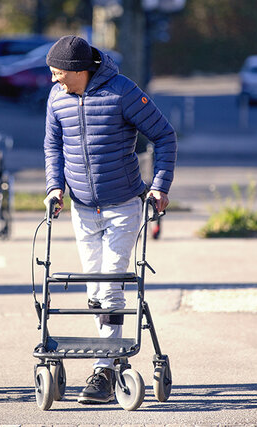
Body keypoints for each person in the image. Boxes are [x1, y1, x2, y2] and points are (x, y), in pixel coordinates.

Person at [42, 35, 177, 404]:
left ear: (78, 70)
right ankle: (107, 356)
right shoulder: (58, 98)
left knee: (110, 285)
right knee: (94, 291)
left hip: (122, 206)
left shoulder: (121, 92)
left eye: (58, 74)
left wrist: (160, 186)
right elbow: (53, 145)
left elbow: (164, 136)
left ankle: (105, 368)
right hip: (82, 208)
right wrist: (55, 186)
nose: (54, 80)